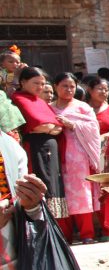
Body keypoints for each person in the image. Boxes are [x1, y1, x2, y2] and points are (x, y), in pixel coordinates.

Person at [10, 68, 68, 220]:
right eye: (36, 83)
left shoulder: (40, 101)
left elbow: (57, 126)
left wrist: (50, 127)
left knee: (53, 183)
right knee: (42, 182)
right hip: (36, 148)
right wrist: (51, 128)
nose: (40, 87)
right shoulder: (19, 98)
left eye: (42, 84)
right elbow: (39, 125)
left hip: (50, 148)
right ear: (23, 82)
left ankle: (54, 223)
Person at [51, 73, 101, 244]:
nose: (69, 89)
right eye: (65, 86)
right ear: (55, 86)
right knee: (59, 193)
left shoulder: (83, 107)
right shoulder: (49, 107)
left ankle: (87, 233)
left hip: (78, 156)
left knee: (81, 193)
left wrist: (72, 125)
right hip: (56, 155)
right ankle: (65, 235)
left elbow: (93, 129)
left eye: (72, 86)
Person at [83, 75, 109, 142]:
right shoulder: (81, 109)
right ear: (90, 90)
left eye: (106, 90)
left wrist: (108, 135)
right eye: (100, 89)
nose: (104, 92)